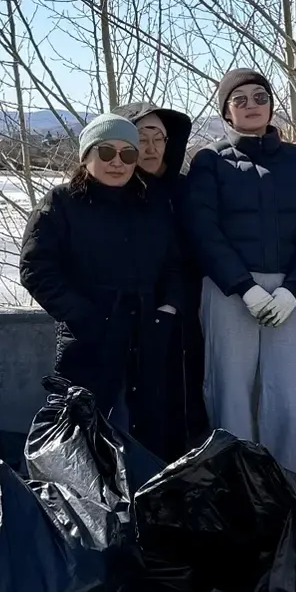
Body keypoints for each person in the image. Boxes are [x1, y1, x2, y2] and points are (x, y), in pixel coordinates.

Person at [183, 68, 296, 475]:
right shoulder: (210, 162)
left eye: (260, 97)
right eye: (240, 99)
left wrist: (294, 288)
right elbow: (203, 231)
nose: (252, 106)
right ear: (226, 111)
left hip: (291, 294)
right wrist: (243, 287)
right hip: (230, 293)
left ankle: (289, 488)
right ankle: (239, 488)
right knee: (231, 396)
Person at [19, 113, 182, 447]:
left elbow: (174, 263)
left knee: (147, 435)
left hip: (145, 339)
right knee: (80, 437)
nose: (117, 162)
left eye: (128, 154)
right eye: (106, 152)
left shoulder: (151, 204)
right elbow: (36, 267)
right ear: (86, 156)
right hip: (88, 342)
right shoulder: (61, 203)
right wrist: (83, 314)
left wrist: (165, 310)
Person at [116, 98, 204, 457]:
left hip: (184, 320)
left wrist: (174, 304)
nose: (151, 148)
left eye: (159, 139)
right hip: (125, 321)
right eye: (141, 139)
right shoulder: (112, 194)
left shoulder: (184, 191)